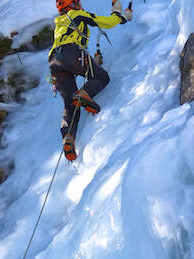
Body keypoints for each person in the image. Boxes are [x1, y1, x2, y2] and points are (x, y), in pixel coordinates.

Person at [49, 0, 132, 161]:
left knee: (70, 106)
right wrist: (119, 15)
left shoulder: (59, 25)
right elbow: (104, 22)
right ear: (73, 4)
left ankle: (68, 138)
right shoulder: (76, 14)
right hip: (71, 53)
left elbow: (67, 57)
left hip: (54, 64)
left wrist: (93, 62)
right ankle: (84, 93)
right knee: (101, 77)